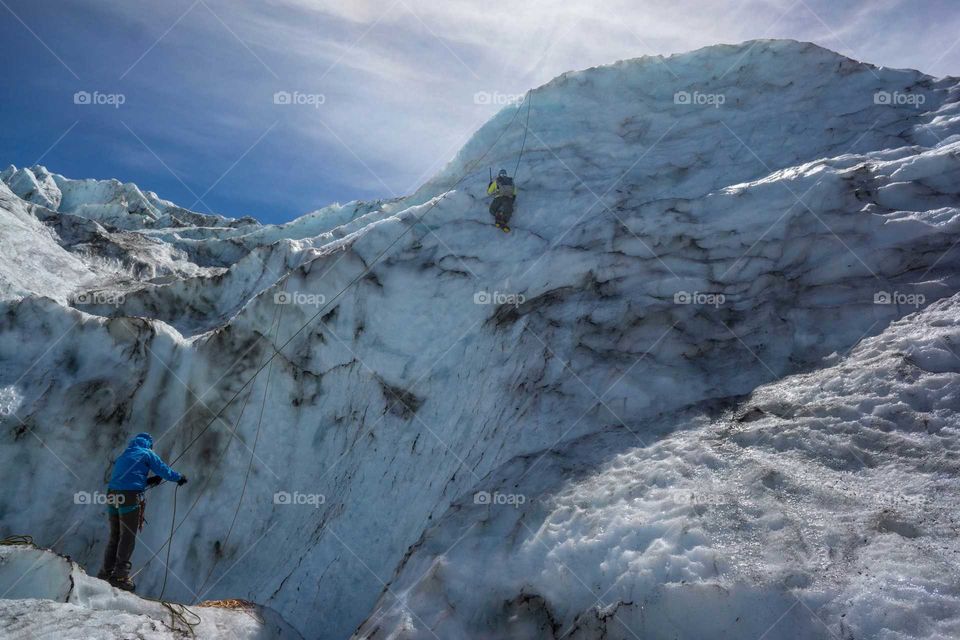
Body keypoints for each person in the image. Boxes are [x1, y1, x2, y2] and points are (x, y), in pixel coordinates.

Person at [98, 432, 187, 591]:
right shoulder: (147, 453)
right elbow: (163, 470)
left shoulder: (125, 454)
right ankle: (120, 576)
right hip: (129, 497)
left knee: (115, 535)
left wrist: (147, 481)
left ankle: (105, 573)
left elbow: (127, 479)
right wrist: (179, 477)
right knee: (127, 536)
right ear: (149, 444)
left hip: (112, 494)